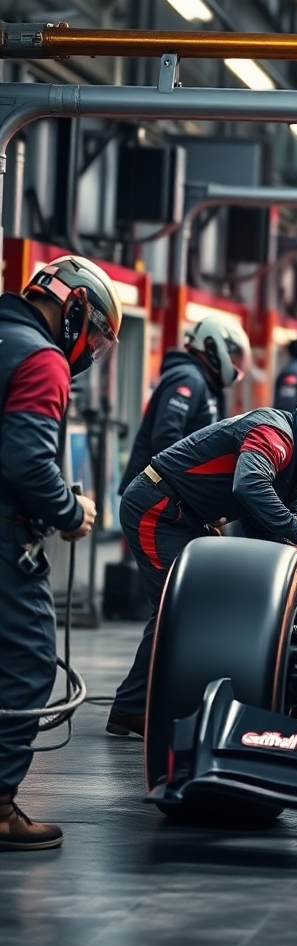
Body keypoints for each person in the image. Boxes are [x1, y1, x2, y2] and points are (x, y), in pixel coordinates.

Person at [105, 397, 297, 739]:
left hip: (185, 517)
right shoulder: (273, 434)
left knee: (198, 609)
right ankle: (133, 709)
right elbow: (249, 485)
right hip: (156, 507)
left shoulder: (296, 475)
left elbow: (266, 530)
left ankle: (151, 703)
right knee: (178, 613)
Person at [0, 255, 121, 850]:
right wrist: (71, 513)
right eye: (95, 334)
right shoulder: (42, 359)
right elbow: (26, 462)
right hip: (4, 539)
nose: (91, 350)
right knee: (24, 666)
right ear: (74, 311)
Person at [120, 316, 251, 495]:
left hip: (167, 494)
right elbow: (166, 438)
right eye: (233, 356)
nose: (235, 364)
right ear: (212, 345)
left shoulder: (207, 385)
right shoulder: (188, 379)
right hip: (153, 496)